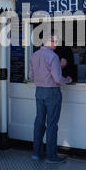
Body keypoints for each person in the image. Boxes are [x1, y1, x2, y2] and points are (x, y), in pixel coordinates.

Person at [30, 35, 73, 163]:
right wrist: (68, 79)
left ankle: (36, 153)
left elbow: (31, 76)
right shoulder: (53, 57)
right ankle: (51, 156)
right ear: (50, 42)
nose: (57, 45)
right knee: (52, 125)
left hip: (39, 91)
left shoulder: (34, 55)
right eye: (56, 42)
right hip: (52, 92)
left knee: (39, 122)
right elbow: (58, 79)